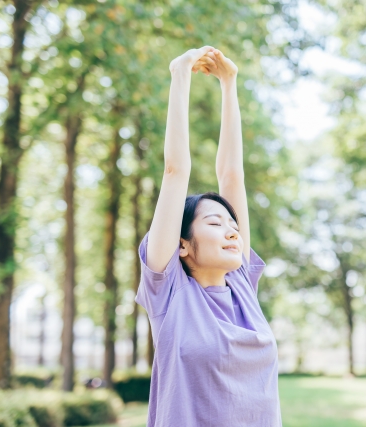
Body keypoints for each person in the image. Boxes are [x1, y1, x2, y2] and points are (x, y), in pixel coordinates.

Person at [135, 46, 282, 426]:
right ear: (182, 245)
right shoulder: (169, 294)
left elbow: (232, 175)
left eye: (232, 225)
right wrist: (180, 73)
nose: (233, 231)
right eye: (215, 224)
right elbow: (175, 170)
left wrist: (229, 83)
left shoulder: (242, 286)